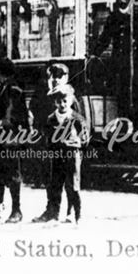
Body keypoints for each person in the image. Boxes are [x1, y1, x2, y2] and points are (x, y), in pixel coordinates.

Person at [0, 58, 30, 223]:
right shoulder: (5, 86)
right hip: (2, 138)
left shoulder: (13, 88)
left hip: (12, 138)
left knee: (12, 174)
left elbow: (10, 114)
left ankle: (17, 210)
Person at [33, 84, 89, 224]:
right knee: (55, 184)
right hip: (57, 156)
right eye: (59, 101)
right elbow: (47, 138)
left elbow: (85, 138)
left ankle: (76, 215)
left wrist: (75, 146)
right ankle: (54, 213)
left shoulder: (77, 118)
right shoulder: (51, 119)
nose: (62, 104)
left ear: (71, 100)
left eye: (65, 100)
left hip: (72, 155)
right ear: (54, 102)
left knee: (73, 186)